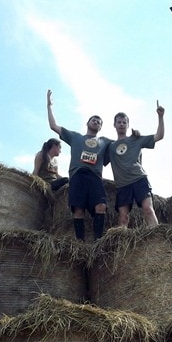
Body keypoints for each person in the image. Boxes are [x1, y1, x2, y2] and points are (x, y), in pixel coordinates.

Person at [47, 89, 112, 241]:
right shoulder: (75, 137)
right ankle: (80, 243)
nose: (96, 122)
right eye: (93, 120)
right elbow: (53, 126)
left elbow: (123, 147)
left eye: (99, 122)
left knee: (101, 207)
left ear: (100, 128)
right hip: (77, 175)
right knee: (78, 210)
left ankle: (98, 241)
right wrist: (49, 106)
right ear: (87, 123)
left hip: (95, 177)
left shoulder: (105, 141)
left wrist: (135, 137)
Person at [108, 102, 165, 227]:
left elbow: (159, 136)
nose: (121, 124)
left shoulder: (136, 139)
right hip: (122, 184)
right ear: (114, 125)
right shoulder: (110, 146)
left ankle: (157, 235)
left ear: (128, 125)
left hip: (139, 179)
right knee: (123, 218)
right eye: (119, 122)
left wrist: (160, 117)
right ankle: (121, 239)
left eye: (124, 122)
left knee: (148, 210)